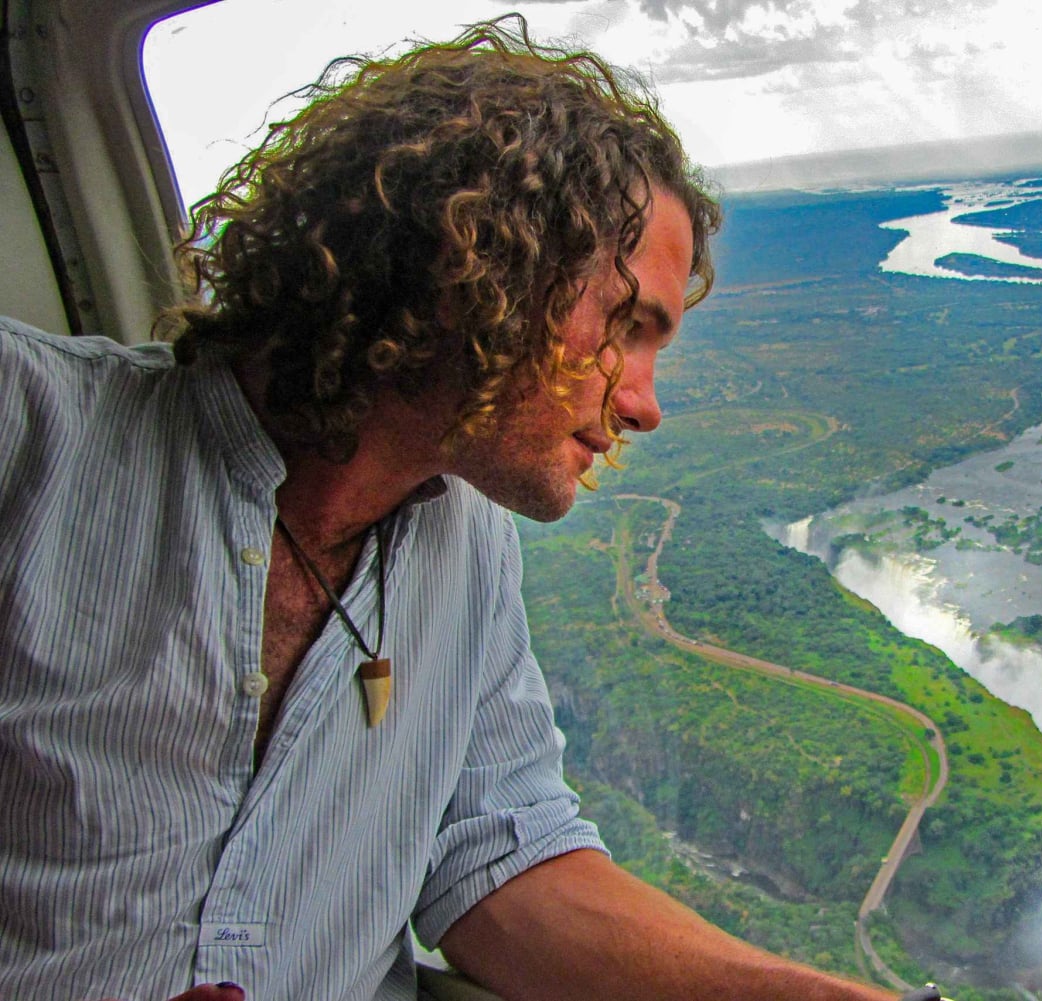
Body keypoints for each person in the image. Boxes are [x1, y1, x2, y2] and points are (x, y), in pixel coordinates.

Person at [0, 16, 915, 1001]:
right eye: (627, 328)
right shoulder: (29, 435)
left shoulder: (465, 545)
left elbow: (503, 863)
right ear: (482, 266)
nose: (646, 401)